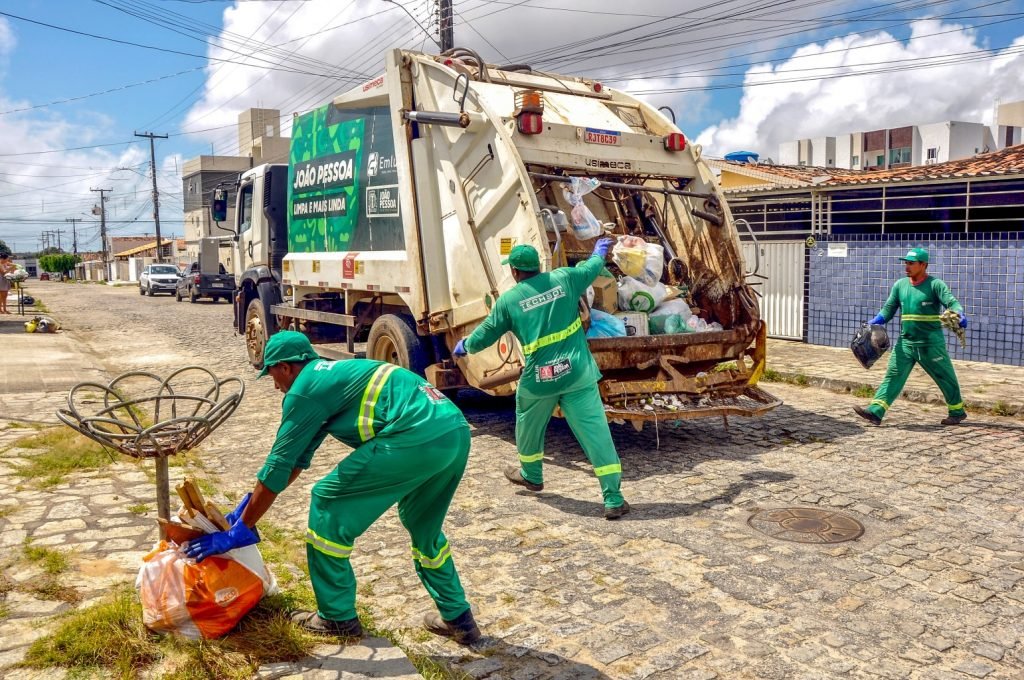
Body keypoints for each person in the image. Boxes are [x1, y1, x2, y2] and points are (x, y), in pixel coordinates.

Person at [183, 331, 481, 644]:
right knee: (424, 529)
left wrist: (240, 529)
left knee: (326, 503)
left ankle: (336, 618)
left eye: (271, 373)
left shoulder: (304, 390)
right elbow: (295, 462)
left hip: (413, 436)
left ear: (286, 367)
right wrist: (250, 505)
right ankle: (459, 619)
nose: (274, 384)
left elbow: (277, 466)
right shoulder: (331, 377)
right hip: (453, 432)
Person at [453, 239, 630, 520]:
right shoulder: (565, 278)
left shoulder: (509, 301)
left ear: (514, 271)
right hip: (577, 373)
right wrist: (599, 252)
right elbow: (593, 267)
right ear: (539, 266)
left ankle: (532, 475)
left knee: (527, 421)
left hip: (540, 378)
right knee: (596, 433)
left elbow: (486, 332)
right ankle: (613, 497)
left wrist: (466, 345)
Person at [853, 247, 969, 427]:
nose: (907, 267)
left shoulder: (935, 285)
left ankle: (957, 411)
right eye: (906, 263)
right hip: (906, 343)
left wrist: (959, 314)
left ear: (923, 265)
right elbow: (889, 309)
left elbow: (952, 302)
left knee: (945, 377)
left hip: (930, 344)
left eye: (911, 263)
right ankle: (876, 411)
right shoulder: (900, 285)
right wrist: (876, 321)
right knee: (893, 375)